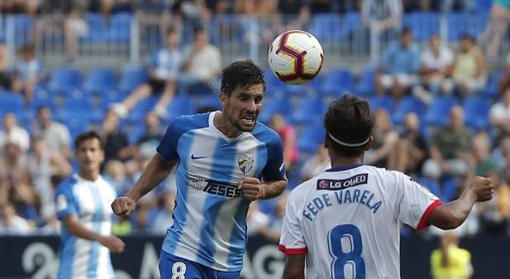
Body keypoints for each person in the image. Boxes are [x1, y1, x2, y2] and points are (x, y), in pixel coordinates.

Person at [278, 95, 494, 279]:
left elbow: (294, 273)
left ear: (326, 141)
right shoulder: (392, 182)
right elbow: (450, 218)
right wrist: (471, 191)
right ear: (370, 142)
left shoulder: (300, 196)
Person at [111, 60, 287, 279]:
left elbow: (279, 182)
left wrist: (262, 190)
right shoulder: (185, 130)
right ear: (224, 97)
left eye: (258, 99)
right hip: (183, 251)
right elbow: (162, 162)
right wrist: (133, 195)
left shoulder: (268, 142)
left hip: (227, 259)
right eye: (244, 98)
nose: (252, 107)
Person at [55, 131, 125, 278]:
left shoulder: (110, 187)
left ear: (101, 155)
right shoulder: (67, 188)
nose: (88, 155)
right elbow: (71, 226)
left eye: (92, 150)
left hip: (104, 272)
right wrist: (103, 239)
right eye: (83, 150)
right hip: (73, 272)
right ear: (76, 155)